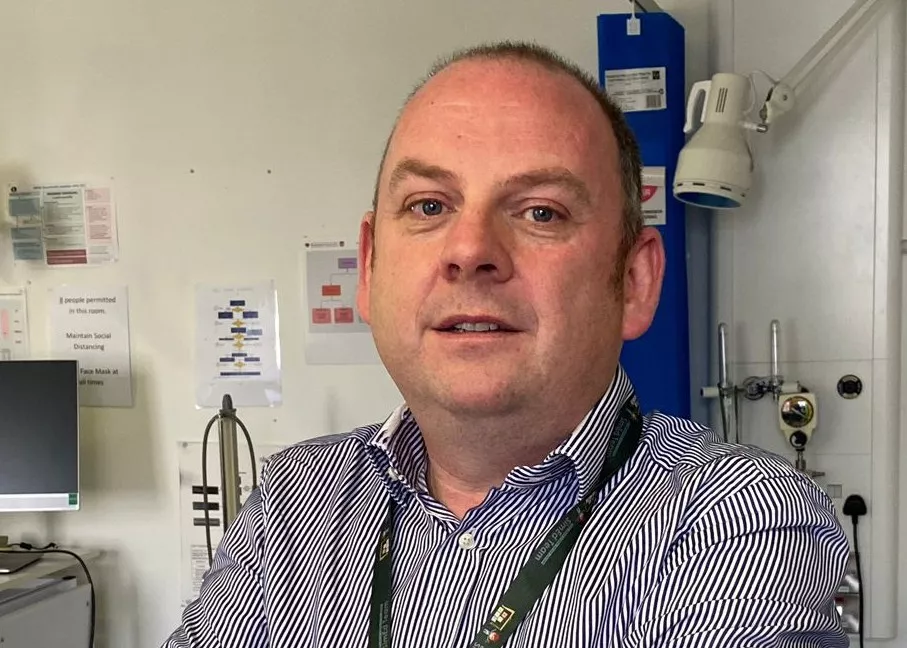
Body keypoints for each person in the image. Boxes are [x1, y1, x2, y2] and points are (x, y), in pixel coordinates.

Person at [163, 41, 850, 648]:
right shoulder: (292, 501)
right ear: (369, 269)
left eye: (540, 212)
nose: (469, 250)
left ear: (634, 281)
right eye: (429, 206)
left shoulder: (741, 522)